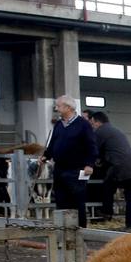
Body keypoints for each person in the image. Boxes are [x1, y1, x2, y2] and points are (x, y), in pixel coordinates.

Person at [39, 94, 97, 228]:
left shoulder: (83, 125)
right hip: (59, 169)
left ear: (68, 107)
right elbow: (53, 143)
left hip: (76, 169)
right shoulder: (59, 124)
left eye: (58, 106)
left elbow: (91, 145)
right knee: (60, 200)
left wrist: (90, 164)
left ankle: (80, 229)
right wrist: (46, 156)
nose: (56, 108)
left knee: (77, 200)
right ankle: (64, 229)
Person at [88, 111, 131, 230]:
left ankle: (107, 212)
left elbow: (93, 150)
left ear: (97, 122)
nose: (92, 126)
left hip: (120, 167)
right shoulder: (115, 130)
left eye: (92, 124)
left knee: (106, 186)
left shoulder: (101, 132)